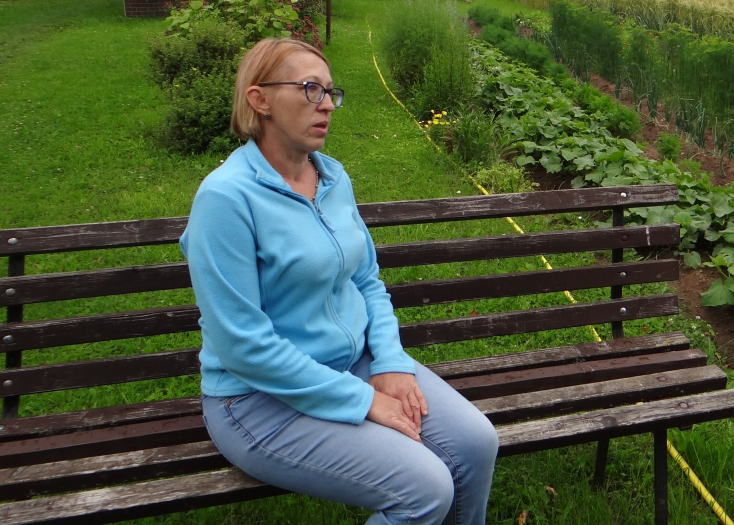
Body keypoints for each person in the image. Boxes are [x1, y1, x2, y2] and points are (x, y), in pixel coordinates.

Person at [181, 37, 498, 525]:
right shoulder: (225, 200)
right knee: (424, 489)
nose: (327, 104)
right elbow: (243, 347)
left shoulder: (332, 178)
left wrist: (391, 363)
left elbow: (367, 280)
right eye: (310, 89)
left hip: (356, 363)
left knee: (477, 444)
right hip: (258, 400)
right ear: (259, 99)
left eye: (330, 91)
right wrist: (365, 399)